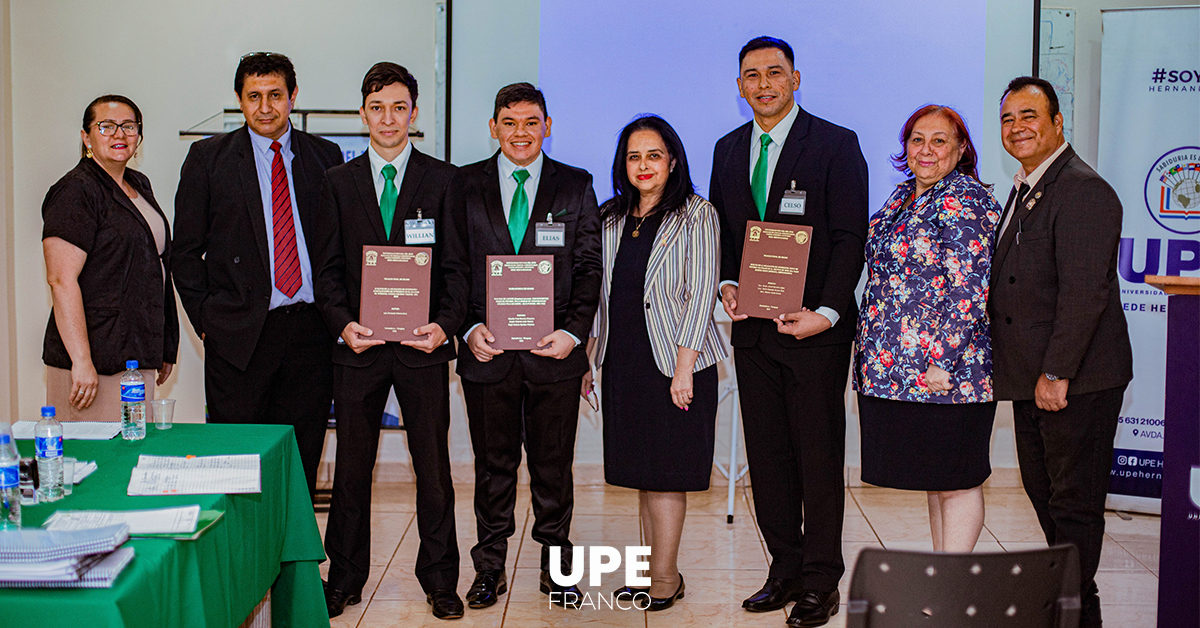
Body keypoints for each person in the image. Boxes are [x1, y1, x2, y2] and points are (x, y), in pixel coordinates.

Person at [710, 36, 868, 628]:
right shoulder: (728, 149)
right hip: (753, 331)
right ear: (740, 85)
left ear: (795, 79)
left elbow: (851, 236)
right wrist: (728, 282)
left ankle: (821, 582)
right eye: (751, 75)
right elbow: (726, 233)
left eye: (775, 73)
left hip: (814, 335)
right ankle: (785, 569)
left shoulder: (835, 143)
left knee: (818, 459)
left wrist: (827, 312)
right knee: (769, 459)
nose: (764, 84)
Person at [311, 63, 466, 620]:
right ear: (362, 115)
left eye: (399, 107)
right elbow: (326, 272)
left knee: (433, 469)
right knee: (352, 468)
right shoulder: (336, 183)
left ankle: (440, 580)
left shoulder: (444, 180)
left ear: (414, 114)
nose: (388, 118)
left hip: (422, 348)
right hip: (358, 347)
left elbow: (457, 270)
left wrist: (445, 326)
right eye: (377, 108)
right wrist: (342, 324)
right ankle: (344, 577)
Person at [442, 82, 601, 610]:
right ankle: (489, 568)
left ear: (547, 126)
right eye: (509, 122)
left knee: (553, 468)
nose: (520, 133)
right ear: (493, 127)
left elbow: (587, 269)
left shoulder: (576, 185)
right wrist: (467, 328)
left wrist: (573, 333)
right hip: (487, 356)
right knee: (492, 468)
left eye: (531, 122)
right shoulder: (463, 186)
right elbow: (454, 269)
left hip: (553, 356)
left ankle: (557, 570)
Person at [990, 76, 1133, 628]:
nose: (1017, 128)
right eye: (1008, 119)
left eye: (1029, 116)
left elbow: (1085, 292)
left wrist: (1055, 372)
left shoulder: (1083, 189)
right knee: (1046, 496)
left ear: (1057, 124)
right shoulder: (1027, 187)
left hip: (1075, 381)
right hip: (1034, 380)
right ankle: (1074, 607)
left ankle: (1072, 608)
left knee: (1073, 505)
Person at [173, 52, 344, 497]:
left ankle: (296, 565)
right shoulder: (208, 158)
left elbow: (336, 245)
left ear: (293, 97)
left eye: (275, 95)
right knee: (239, 465)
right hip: (239, 335)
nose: (265, 107)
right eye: (254, 97)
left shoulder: (324, 156)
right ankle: (246, 568)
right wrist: (208, 323)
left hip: (310, 330)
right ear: (238, 99)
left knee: (300, 461)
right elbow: (186, 253)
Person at [583, 114, 726, 611]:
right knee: (644, 476)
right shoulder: (611, 218)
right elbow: (601, 296)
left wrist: (685, 368)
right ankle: (650, 573)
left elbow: (701, 291)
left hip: (675, 365)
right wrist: (589, 357)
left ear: (673, 161)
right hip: (623, 363)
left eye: (653, 156)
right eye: (633, 157)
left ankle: (664, 579)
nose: (643, 166)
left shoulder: (697, 214)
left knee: (667, 476)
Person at [853, 105, 1000, 552]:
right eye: (917, 139)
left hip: (947, 374)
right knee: (939, 481)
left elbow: (970, 287)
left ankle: (951, 591)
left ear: (960, 148)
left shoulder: (966, 200)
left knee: (956, 480)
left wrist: (942, 361)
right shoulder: (902, 197)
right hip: (894, 371)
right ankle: (943, 579)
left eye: (940, 140)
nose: (927, 149)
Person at [42, 95, 177, 421]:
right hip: (93, 365)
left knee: (129, 459)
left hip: (135, 356)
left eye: (129, 126)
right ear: (86, 137)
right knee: (95, 466)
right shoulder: (76, 190)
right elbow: (61, 279)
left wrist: (164, 346)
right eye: (107, 126)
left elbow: (155, 265)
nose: (120, 134)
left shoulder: (138, 184)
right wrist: (82, 361)